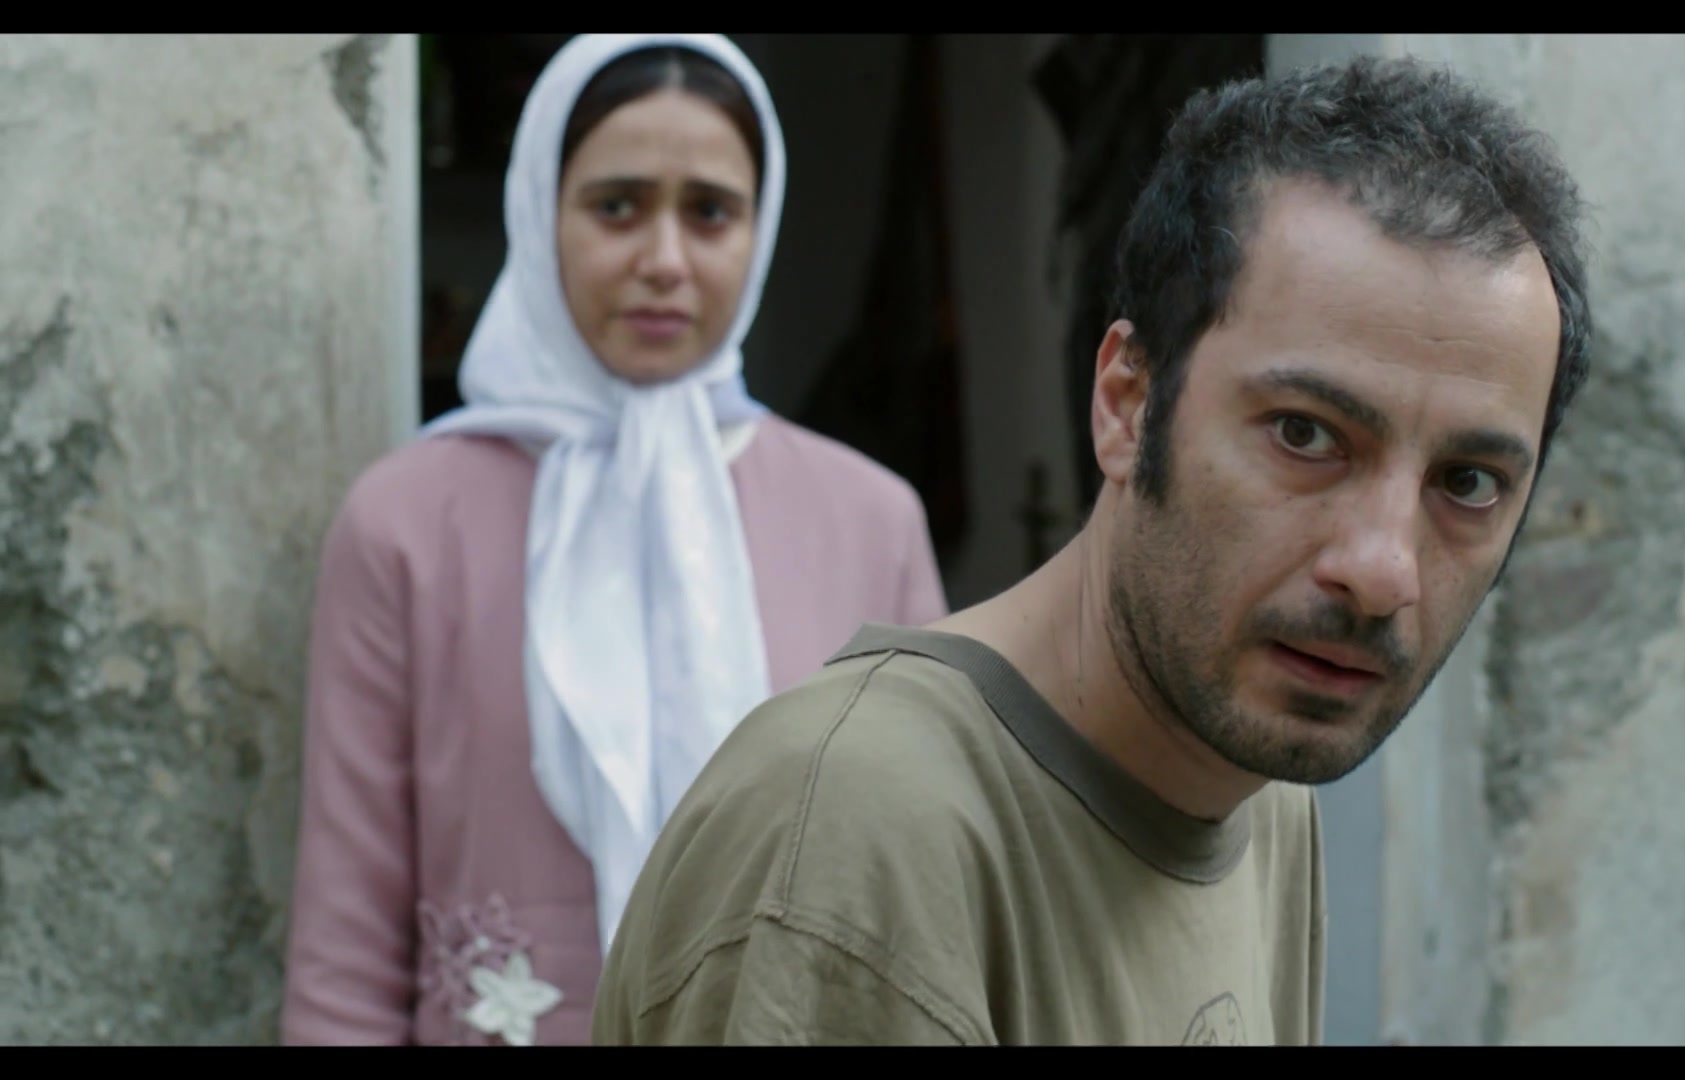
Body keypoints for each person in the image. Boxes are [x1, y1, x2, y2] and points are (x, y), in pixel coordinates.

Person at [591, 53, 1593, 1046]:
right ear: (1127, 403)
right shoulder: (859, 841)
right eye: (1304, 434)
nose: (1381, 572)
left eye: (1468, 483)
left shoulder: (1260, 780)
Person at [280, 33, 949, 1047]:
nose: (664, 260)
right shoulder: (405, 524)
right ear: (538, 212)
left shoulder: (869, 521)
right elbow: (346, 946)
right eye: (617, 206)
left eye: (710, 211)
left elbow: (921, 900)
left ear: (760, 229)